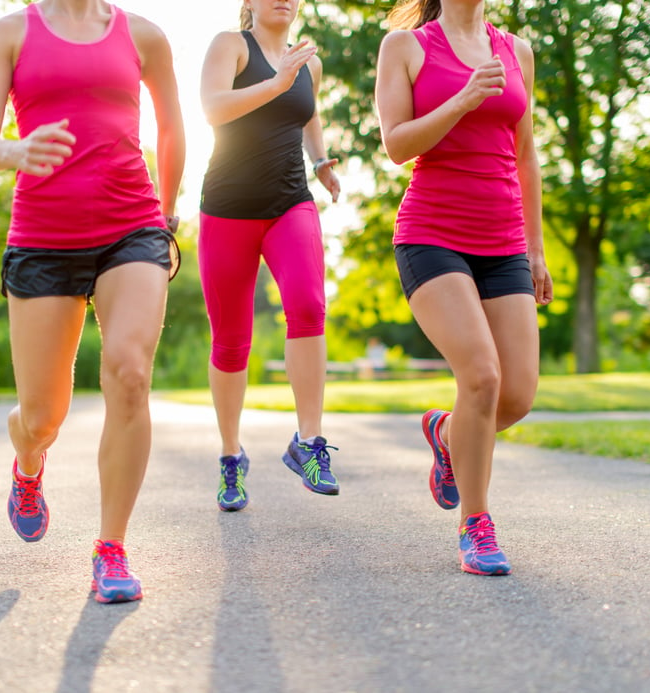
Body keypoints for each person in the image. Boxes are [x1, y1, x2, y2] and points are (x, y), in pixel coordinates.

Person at [0, 0, 185, 603]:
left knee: (130, 373)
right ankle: (28, 463)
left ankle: (110, 550)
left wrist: (166, 213)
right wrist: (13, 151)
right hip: (42, 238)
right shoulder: (10, 33)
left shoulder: (144, 35)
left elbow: (170, 125)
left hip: (131, 228)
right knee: (43, 418)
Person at [375, 0, 553, 575]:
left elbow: (526, 156)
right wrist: (463, 98)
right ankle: (475, 526)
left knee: (517, 395)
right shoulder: (406, 48)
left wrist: (536, 248)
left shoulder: (517, 50)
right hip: (432, 236)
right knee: (481, 376)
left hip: (503, 243)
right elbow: (398, 145)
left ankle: (446, 432)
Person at [198, 0, 342, 511]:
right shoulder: (230, 46)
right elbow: (213, 108)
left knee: (308, 305)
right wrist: (276, 82)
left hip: (290, 202)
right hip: (227, 209)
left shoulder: (310, 61)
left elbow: (308, 114)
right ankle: (231, 457)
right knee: (232, 340)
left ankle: (308, 442)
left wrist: (321, 161)